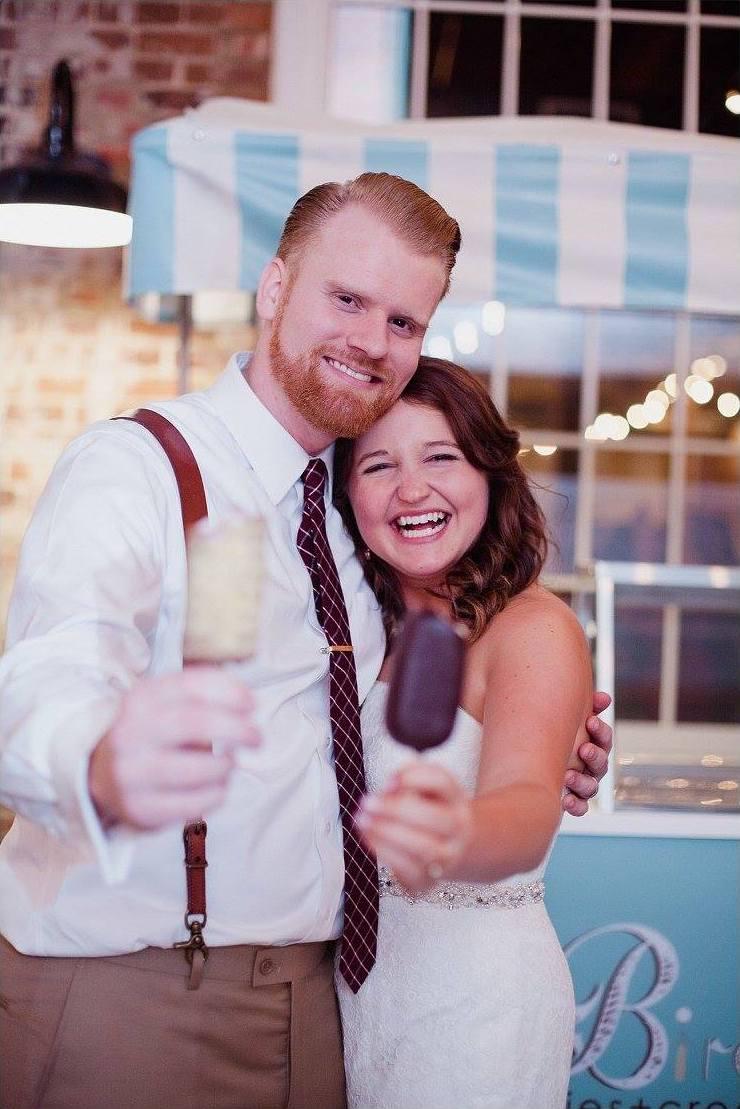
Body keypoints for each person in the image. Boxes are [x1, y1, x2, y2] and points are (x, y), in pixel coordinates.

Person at [0, 174, 610, 1109]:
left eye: (403, 321)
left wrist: (544, 736)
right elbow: (53, 674)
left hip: (327, 1012)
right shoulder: (139, 468)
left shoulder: (359, 517)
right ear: (275, 287)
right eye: (348, 298)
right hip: (140, 995)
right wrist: (100, 760)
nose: (372, 340)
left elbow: (394, 721)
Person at [333, 356, 592, 1108]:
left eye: (441, 457)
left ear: (490, 473)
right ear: (347, 496)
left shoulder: (532, 629)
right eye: (378, 465)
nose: (412, 489)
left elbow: (527, 807)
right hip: (354, 1002)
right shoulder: (354, 625)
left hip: (474, 1008)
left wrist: (452, 833)